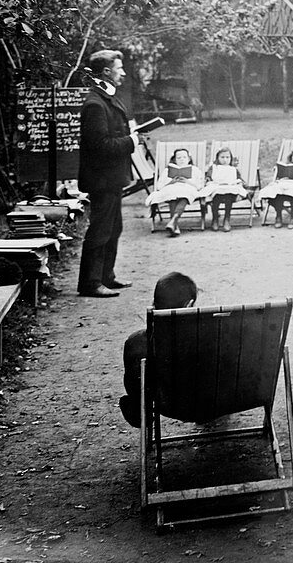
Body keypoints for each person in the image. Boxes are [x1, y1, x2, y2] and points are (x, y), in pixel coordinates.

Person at [77, 49, 138, 298]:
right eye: (119, 68)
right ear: (106, 71)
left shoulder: (107, 97)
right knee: (100, 230)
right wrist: (131, 141)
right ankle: (90, 283)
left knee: (114, 229)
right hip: (101, 179)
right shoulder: (94, 104)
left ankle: (106, 277)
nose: (122, 72)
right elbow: (100, 146)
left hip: (111, 177)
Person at [118, 272, 198, 427]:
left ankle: (140, 410)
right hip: (218, 403)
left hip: (171, 406)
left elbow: (133, 383)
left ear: (155, 304)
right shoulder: (213, 333)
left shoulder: (139, 342)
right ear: (188, 305)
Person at [144, 148, 204, 237]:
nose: (182, 159)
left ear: (189, 159)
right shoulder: (168, 170)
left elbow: (200, 186)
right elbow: (159, 186)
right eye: (179, 158)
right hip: (171, 189)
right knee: (172, 195)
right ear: (174, 160)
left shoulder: (195, 170)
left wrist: (187, 181)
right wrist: (171, 182)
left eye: (184, 157)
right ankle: (173, 224)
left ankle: (173, 221)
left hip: (188, 189)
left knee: (184, 195)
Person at [198, 146, 249, 232]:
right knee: (217, 193)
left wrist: (240, 182)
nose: (225, 160)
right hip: (217, 188)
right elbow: (208, 178)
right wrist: (208, 180)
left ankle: (227, 218)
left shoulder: (233, 169)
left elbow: (240, 179)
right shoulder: (214, 167)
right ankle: (215, 218)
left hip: (230, 189)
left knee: (229, 194)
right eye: (222, 157)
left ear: (231, 158)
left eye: (227, 157)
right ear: (217, 158)